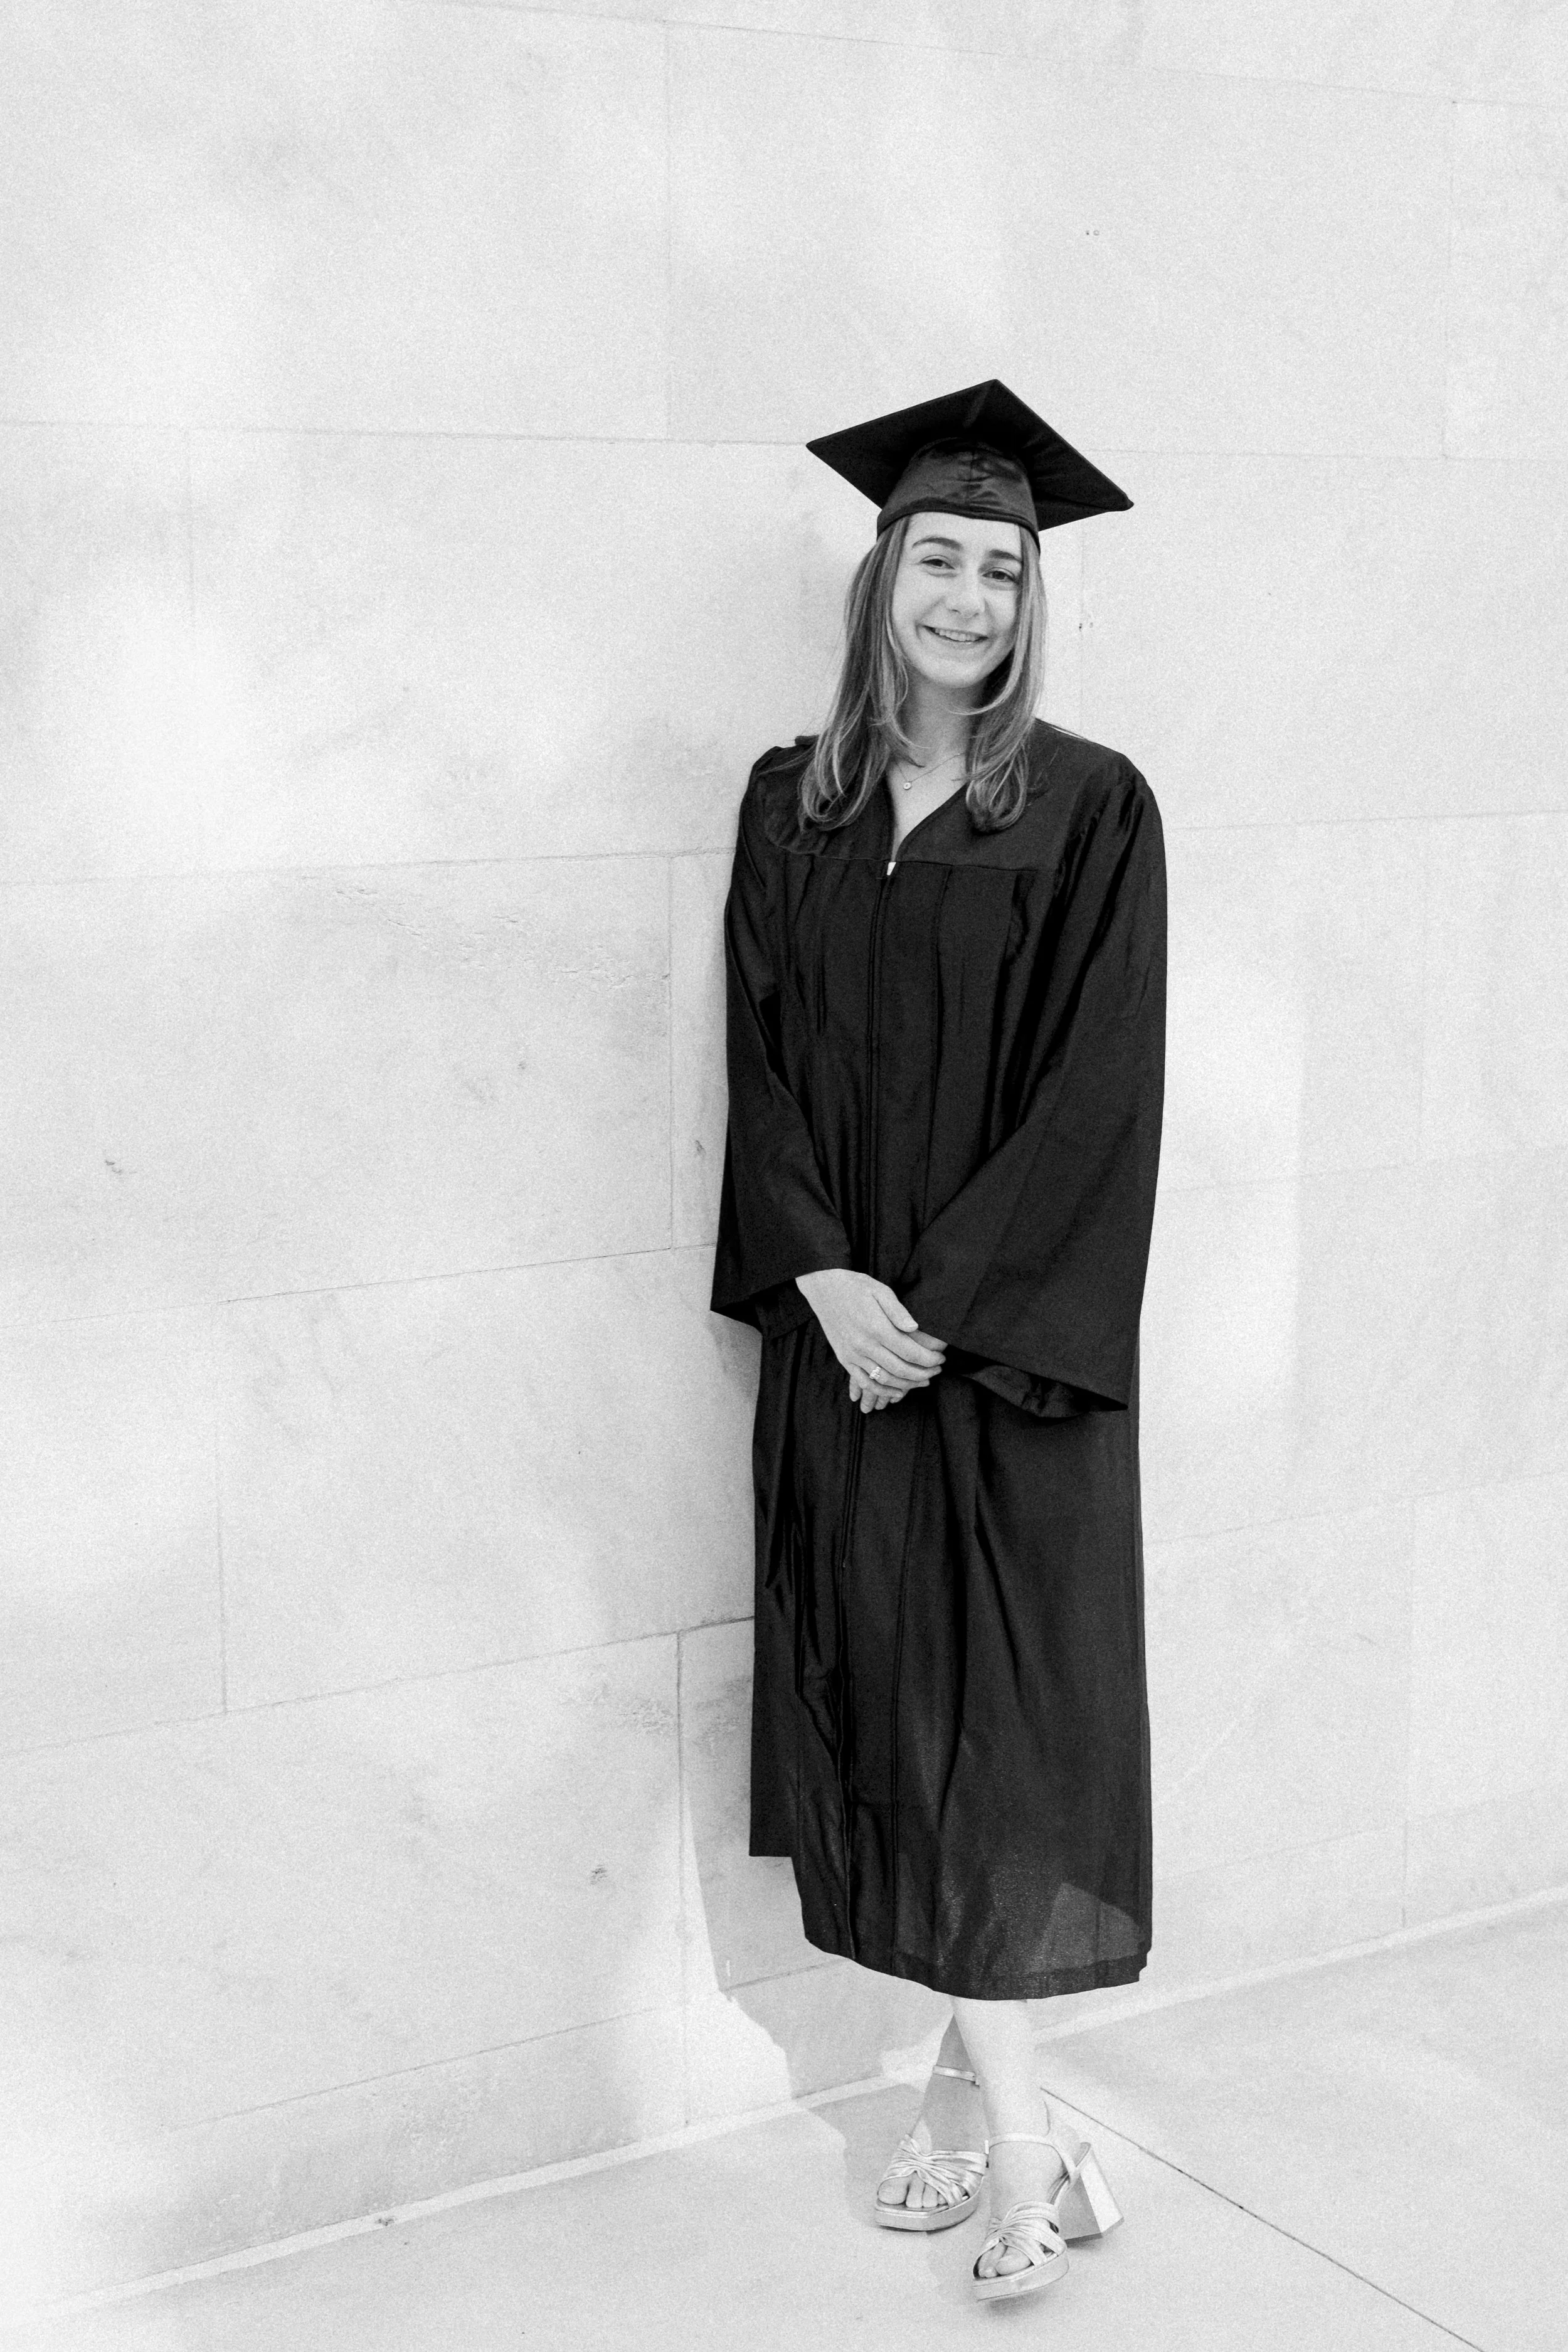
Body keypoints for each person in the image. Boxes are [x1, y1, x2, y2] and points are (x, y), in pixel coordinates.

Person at [710, 381, 1166, 2306]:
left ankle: (1028, 2144)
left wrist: (943, 1309)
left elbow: (1097, 1092)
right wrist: (819, 1278)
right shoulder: (786, 798)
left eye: (999, 565)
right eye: (937, 558)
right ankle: (962, 2112)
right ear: (881, 578)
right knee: (892, 1726)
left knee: (1005, 1750)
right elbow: (756, 1057)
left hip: (1002, 1370)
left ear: (1029, 597)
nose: (966, 595)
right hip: (844, 1352)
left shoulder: (1088, 803)